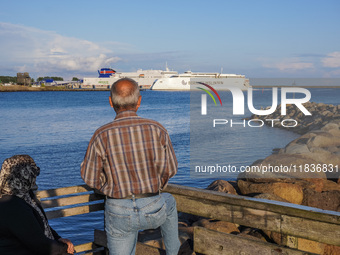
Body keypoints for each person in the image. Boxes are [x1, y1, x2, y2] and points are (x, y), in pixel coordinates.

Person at [81, 78, 180, 255]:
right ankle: (174, 252)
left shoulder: (101, 134)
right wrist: (155, 186)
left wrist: (108, 184)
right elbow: (170, 169)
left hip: (119, 210)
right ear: (139, 101)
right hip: (153, 207)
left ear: (110, 102)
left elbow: (90, 178)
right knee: (170, 201)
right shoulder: (157, 129)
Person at [0, 155, 74, 255]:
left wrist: (58, 238)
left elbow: (40, 223)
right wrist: (65, 249)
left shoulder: (25, 195)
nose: (34, 179)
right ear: (24, 176)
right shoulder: (12, 205)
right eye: (33, 174)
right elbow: (39, 244)